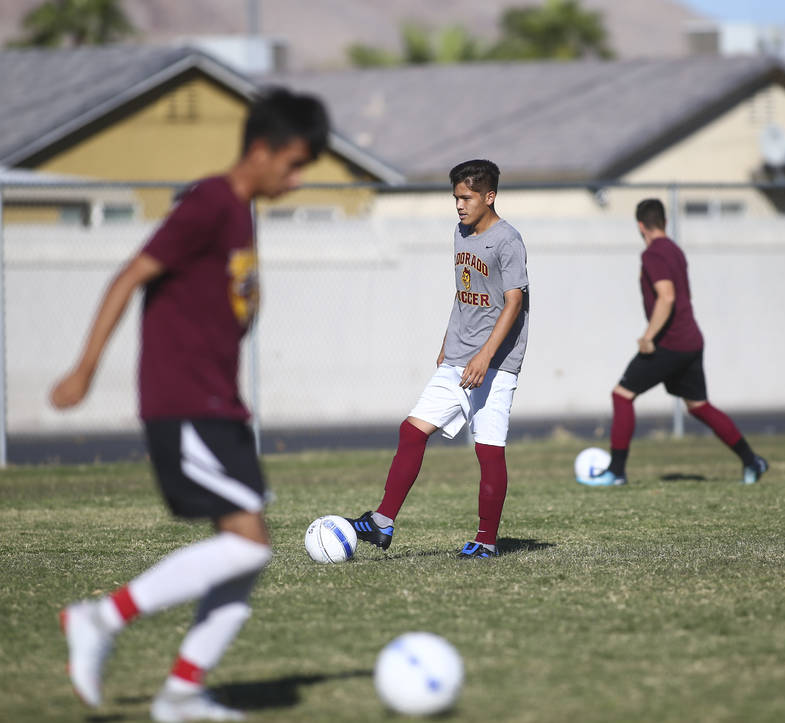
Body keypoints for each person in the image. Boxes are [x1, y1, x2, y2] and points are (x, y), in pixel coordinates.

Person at [50, 87, 329, 722]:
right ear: (259, 150)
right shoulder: (208, 201)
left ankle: (181, 693)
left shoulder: (242, 212)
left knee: (246, 556)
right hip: (186, 404)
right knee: (250, 545)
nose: (298, 177)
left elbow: (227, 301)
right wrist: (85, 369)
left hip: (219, 405)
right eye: (293, 163)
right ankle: (100, 617)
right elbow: (129, 276)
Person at [345, 159, 528, 559]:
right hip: (459, 355)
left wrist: (485, 356)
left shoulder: (507, 240)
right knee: (411, 431)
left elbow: (514, 302)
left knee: (488, 450)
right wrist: (449, 340)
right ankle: (382, 522)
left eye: (466, 198)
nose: (459, 205)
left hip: (495, 364)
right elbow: (464, 292)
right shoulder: (461, 233)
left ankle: (486, 540)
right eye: (455, 198)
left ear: (489, 196)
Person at [590, 198, 767, 486]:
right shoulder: (675, 250)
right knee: (699, 406)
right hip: (691, 340)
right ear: (664, 222)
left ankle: (616, 472)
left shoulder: (652, 254)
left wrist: (648, 337)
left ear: (640, 225)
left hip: (668, 344)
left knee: (621, 395)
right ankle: (752, 460)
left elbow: (668, 296)